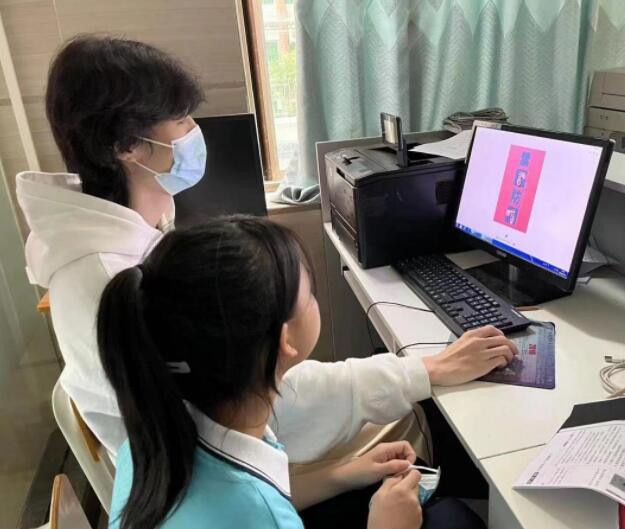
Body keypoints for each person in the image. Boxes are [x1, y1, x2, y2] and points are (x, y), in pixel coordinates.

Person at [17, 34, 518, 475]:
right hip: (221, 469)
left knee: (404, 403)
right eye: (181, 118)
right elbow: (260, 403)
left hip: (211, 459)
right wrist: (425, 370)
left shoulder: (125, 237)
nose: (194, 131)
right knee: (414, 420)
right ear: (128, 145)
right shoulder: (107, 276)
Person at [99, 216, 480, 529]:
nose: (315, 300)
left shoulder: (157, 433)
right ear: (285, 339)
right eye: (309, 294)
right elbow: (257, 509)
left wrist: (343, 474)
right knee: (454, 520)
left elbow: (265, 490)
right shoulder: (253, 514)